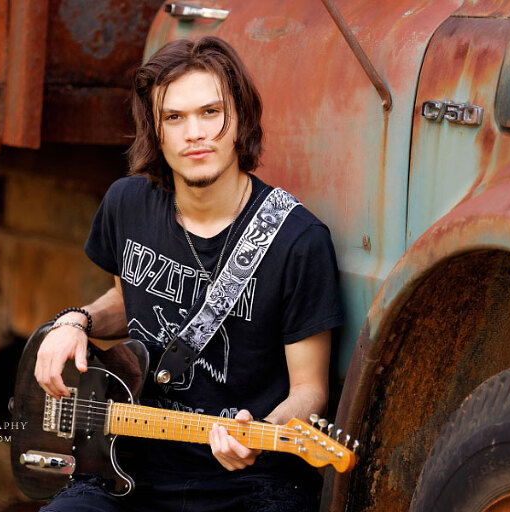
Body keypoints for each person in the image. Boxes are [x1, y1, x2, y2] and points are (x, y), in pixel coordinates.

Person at [34, 36, 343, 512]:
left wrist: (262, 434)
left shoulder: (297, 241)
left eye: (210, 113)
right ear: (155, 131)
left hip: (247, 483)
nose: (193, 133)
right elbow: (126, 300)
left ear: (239, 119)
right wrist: (74, 322)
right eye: (174, 118)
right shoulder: (127, 203)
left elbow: (310, 390)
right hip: (127, 467)